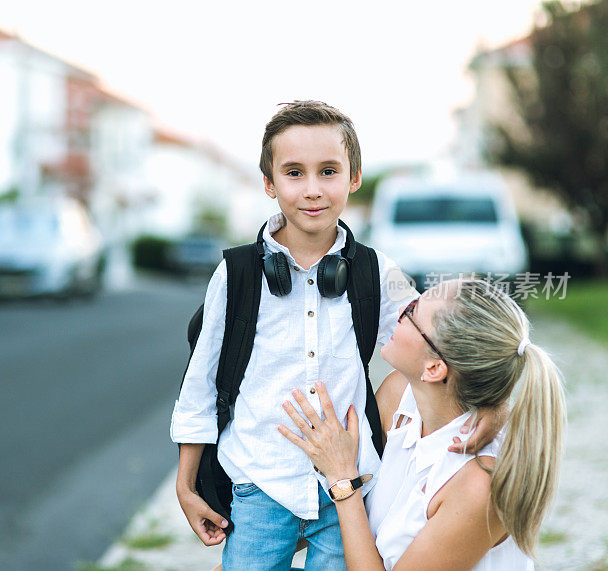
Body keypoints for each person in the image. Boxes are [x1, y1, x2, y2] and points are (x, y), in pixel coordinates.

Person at [171, 101, 503, 570]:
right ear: (269, 183)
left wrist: (496, 403)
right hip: (259, 483)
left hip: (347, 485)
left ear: (354, 177)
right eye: (293, 173)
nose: (312, 190)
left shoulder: (376, 273)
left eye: (328, 171)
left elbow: (444, 341)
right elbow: (199, 387)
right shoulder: (236, 275)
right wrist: (187, 485)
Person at [280, 278, 565, 570]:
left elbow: (347, 487)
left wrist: (342, 479)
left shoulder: (479, 485)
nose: (400, 309)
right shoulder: (399, 397)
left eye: (412, 312)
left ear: (434, 368)